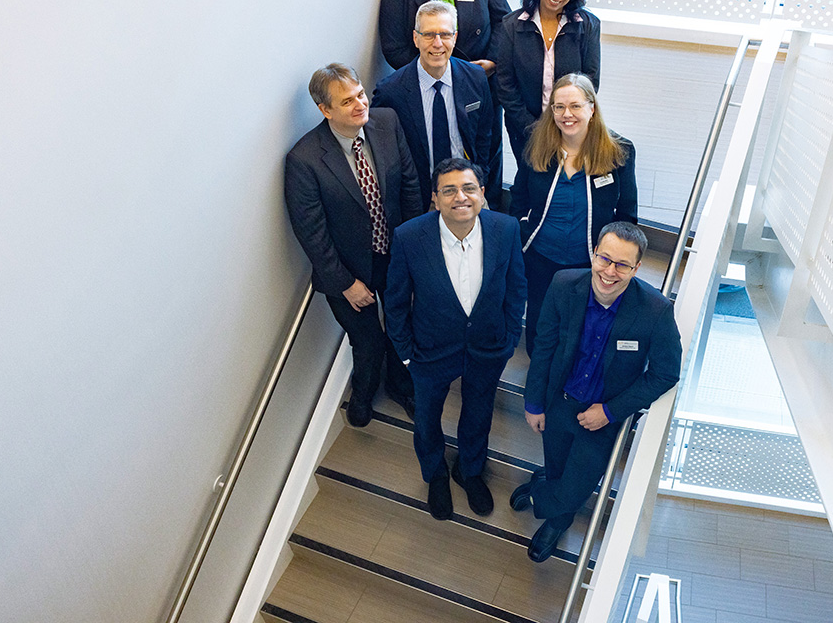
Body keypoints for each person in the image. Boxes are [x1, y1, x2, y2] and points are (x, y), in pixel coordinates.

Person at [511, 222, 681, 562]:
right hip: (558, 402)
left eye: (622, 265)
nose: (610, 271)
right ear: (593, 254)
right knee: (558, 464)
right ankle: (548, 482)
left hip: (603, 416)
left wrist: (610, 411)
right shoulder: (563, 284)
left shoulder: (655, 311)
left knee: (576, 485)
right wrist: (533, 402)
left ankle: (549, 511)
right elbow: (544, 346)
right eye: (605, 259)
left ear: (637, 268)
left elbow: (666, 373)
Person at [386, 158, 527, 520]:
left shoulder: (506, 228)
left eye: (468, 188)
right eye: (448, 190)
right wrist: (405, 354)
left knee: (478, 414)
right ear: (435, 199)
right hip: (429, 352)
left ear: (482, 193)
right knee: (427, 419)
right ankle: (435, 475)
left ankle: (469, 470)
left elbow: (516, 288)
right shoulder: (409, 237)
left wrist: (510, 338)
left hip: (488, 347)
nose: (459, 197)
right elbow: (396, 301)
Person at [284, 64, 422, 428]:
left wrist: (412, 257)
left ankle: (401, 386)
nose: (361, 104)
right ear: (325, 110)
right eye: (347, 102)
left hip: (393, 254)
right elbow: (311, 233)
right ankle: (362, 395)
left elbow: (409, 187)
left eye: (360, 94)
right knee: (367, 341)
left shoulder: (387, 123)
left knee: (399, 327)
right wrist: (345, 283)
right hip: (347, 269)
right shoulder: (305, 160)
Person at [379, 0, 510, 211]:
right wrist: (433, 70)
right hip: (430, 86)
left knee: (484, 152)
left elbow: (503, 19)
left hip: (481, 80)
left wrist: (490, 63)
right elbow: (394, 45)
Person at [510, 74, 636, 362]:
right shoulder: (537, 144)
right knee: (540, 338)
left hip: (589, 265)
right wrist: (522, 234)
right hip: (540, 261)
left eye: (576, 106)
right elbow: (519, 198)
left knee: (580, 340)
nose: (567, 115)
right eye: (559, 107)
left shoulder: (620, 151)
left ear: (592, 108)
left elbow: (627, 214)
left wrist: (613, 262)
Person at [373, 0, 494, 207]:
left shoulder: (476, 78)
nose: (437, 43)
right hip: (421, 199)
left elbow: (485, 136)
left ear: (455, 37)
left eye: (445, 34)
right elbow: (384, 153)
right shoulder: (390, 91)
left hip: (467, 192)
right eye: (428, 35)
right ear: (415, 38)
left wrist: (477, 180)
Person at [495, 0, 600, 159]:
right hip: (523, 128)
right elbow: (505, 84)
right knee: (530, 182)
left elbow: (590, 81)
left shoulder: (587, 25)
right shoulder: (512, 25)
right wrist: (532, 128)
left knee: (564, 183)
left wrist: (566, 122)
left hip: (571, 126)